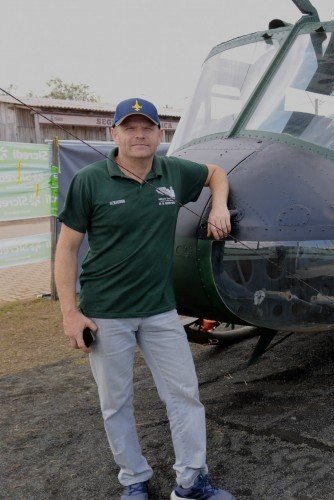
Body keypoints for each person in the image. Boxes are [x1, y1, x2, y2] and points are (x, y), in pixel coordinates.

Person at [54, 97, 234, 500]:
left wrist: (219, 205)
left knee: (184, 394)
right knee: (116, 403)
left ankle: (191, 483)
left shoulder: (173, 172)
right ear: (113, 133)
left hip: (160, 310)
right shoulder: (90, 180)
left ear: (159, 133)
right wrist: (70, 313)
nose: (139, 134)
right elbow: (66, 249)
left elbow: (216, 173)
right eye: (130, 127)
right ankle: (133, 479)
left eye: (147, 127)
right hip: (106, 312)